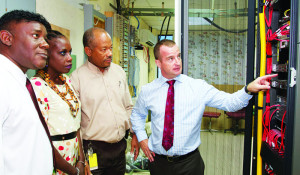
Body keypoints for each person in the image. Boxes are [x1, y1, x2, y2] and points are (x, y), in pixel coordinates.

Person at [130, 39, 278, 175]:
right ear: (158, 63)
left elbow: (230, 103)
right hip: (158, 163)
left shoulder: (197, 87)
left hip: (189, 164)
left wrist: (248, 89)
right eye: (170, 58)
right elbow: (137, 115)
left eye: (178, 56)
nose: (177, 62)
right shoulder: (148, 91)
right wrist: (142, 138)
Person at [70, 27, 139, 175]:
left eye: (110, 48)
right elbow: (73, 122)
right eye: (103, 49)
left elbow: (128, 106)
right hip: (94, 150)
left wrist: (135, 134)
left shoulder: (119, 72)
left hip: (120, 147)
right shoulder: (77, 79)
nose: (109, 53)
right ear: (88, 51)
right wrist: (81, 158)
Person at [0, 10, 54, 174]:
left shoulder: (21, 81)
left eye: (45, 38)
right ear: (7, 38)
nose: (45, 44)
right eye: (36, 35)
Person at [30, 30, 88, 175]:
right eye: (63, 53)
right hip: (54, 160)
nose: (70, 58)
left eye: (70, 52)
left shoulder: (67, 81)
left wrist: (81, 160)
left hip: (74, 157)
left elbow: (76, 125)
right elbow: (41, 138)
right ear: (47, 56)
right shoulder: (37, 86)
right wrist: (73, 171)